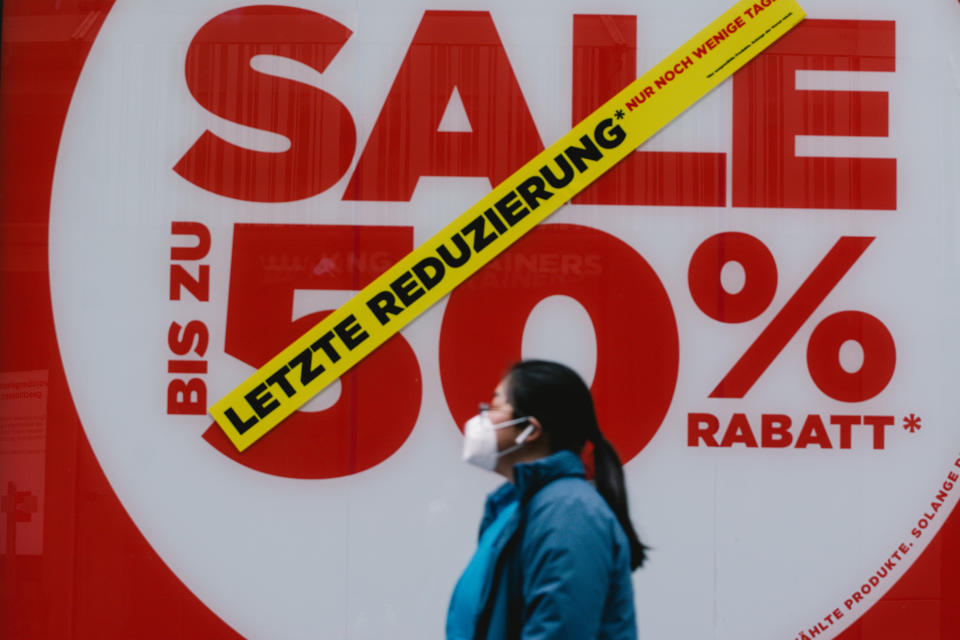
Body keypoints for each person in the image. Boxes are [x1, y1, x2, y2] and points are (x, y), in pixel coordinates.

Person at [446, 360, 646, 640]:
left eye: (493, 407)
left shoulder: (569, 513)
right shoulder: (517, 507)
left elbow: (558, 630)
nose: (481, 420)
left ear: (531, 429)